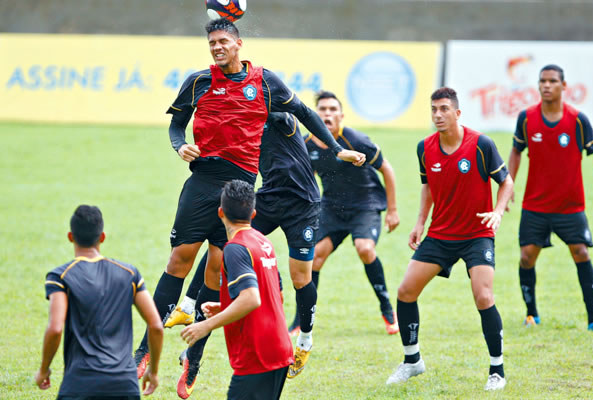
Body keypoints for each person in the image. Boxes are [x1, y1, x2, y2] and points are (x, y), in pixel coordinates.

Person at [134, 17, 365, 396]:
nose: (217, 47)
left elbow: (306, 114)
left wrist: (337, 149)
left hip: (239, 187)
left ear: (238, 44)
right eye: (212, 42)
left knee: (217, 267)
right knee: (179, 258)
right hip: (202, 181)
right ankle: (144, 349)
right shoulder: (198, 81)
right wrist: (180, 146)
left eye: (223, 40)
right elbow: (177, 125)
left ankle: (194, 359)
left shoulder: (266, 83)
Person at [385, 87, 513, 391]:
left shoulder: (481, 144)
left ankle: (497, 370)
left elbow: (505, 181)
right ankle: (412, 361)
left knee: (483, 296)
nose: (438, 115)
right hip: (440, 234)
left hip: (477, 235)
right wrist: (419, 223)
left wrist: (497, 211)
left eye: (444, 109)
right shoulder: (424, 147)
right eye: (433, 110)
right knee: (405, 291)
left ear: (457, 113)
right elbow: (427, 186)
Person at [508, 64, 593, 333]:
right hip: (535, 205)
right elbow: (516, 151)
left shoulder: (577, 119)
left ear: (564, 86)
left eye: (553, 81)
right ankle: (531, 315)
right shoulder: (527, 118)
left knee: (581, 253)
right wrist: (509, 185)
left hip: (569, 205)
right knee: (527, 257)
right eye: (542, 81)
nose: (546, 85)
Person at [180, 180, 293, 400]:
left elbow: (251, 298)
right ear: (253, 213)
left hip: (258, 354)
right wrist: (225, 307)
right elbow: (274, 296)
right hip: (279, 347)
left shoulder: (235, 248)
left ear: (220, 212)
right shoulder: (262, 242)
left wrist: (205, 325)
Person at [299, 90, 400, 335]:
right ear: (315, 114)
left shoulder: (356, 140)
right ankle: (301, 320)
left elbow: (386, 169)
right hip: (332, 207)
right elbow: (308, 179)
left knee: (365, 249)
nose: (327, 114)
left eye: (333, 110)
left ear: (341, 115)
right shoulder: (307, 143)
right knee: (314, 258)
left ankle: (387, 307)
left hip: (365, 206)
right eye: (322, 109)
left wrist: (393, 210)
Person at [36, 205, 163, 399]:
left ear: (71, 237)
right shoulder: (129, 274)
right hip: (124, 384)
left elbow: (55, 328)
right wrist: (153, 372)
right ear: (102, 237)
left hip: (80, 382)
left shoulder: (61, 276)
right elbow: (155, 325)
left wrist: (44, 369)